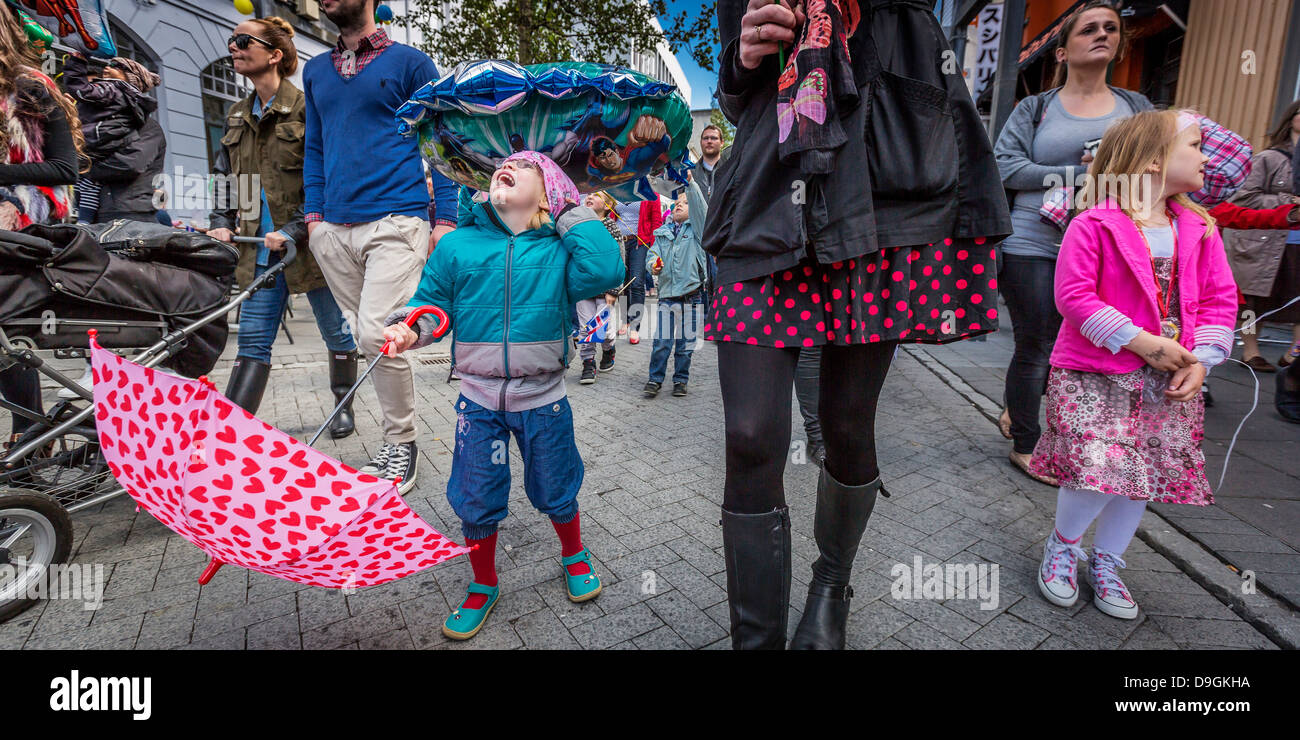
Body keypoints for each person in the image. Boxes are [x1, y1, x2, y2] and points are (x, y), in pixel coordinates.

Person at [706, 0, 1011, 649]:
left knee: (847, 424)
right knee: (750, 431)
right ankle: (754, 642)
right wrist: (744, 55)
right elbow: (735, 99)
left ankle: (832, 583)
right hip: (767, 188)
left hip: (878, 188)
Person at [382, 152, 624, 641]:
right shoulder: (459, 245)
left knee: (556, 484)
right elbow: (432, 304)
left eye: (525, 165)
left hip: (544, 400)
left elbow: (603, 269)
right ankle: (483, 582)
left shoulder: (560, 247)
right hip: (478, 403)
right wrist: (413, 330)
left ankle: (574, 554)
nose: (506, 167)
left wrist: (569, 208)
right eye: (502, 163)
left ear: (548, 188)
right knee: (475, 494)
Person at [1029, 110, 1236, 620]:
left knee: (1139, 471)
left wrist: (1203, 362)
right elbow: (1074, 296)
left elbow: (1218, 300)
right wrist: (1141, 342)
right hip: (1095, 372)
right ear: (1151, 160)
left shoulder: (1201, 228)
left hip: (1167, 378)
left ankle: (1108, 560)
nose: (1206, 157)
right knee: (1098, 465)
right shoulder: (1095, 223)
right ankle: (1064, 544)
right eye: (1195, 145)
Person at [993, 0, 1152, 486]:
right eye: (1088, 29)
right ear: (1061, 51)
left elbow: (1154, 169)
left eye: (1110, 28)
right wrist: (1078, 175)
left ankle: (1050, 423)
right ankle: (1027, 440)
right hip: (1034, 241)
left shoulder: (1137, 108)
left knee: (1082, 346)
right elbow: (1004, 167)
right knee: (1037, 342)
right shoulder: (1035, 107)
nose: (1101, 34)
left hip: (1110, 246)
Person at [303, 0, 458, 492]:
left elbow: (440, 139)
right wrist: (313, 220)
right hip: (332, 230)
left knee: (376, 334)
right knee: (368, 339)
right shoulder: (314, 72)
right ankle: (397, 441)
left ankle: (401, 444)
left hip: (397, 219)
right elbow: (315, 146)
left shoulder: (411, 63)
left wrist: (446, 218)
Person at [205, 17, 359, 438]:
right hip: (259, 249)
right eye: (232, 41)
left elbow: (328, 176)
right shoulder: (237, 116)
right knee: (253, 338)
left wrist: (293, 229)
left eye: (242, 41)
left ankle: (343, 403)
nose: (233, 47)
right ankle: (231, 428)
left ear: (274, 54)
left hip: (313, 246)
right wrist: (221, 222)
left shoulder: (308, 107)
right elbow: (224, 180)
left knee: (337, 333)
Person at [0, 4, 81, 449]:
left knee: (6, 331)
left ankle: (28, 432)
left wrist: (5, 185)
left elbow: (64, 169)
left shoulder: (30, 86)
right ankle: (30, 430)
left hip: (31, 222)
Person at [1223, 101, 1300, 372]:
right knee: (1254, 301)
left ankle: (1293, 354)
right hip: (1265, 241)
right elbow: (1244, 198)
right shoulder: (1270, 158)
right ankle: (1250, 352)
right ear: (1291, 119)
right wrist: (1288, 200)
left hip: (1296, 244)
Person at [62, 54, 160, 225]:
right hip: (103, 211)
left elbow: (130, 163)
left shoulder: (146, 126)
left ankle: (83, 220)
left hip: (126, 213)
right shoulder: (103, 119)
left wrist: (83, 167)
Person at [643, 179, 708, 398]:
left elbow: (701, 208)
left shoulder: (698, 229)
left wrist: (690, 185)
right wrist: (654, 264)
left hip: (693, 295)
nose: (679, 205)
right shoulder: (662, 232)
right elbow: (652, 254)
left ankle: (681, 379)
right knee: (662, 342)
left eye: (685, 203)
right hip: (667, 296)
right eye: (677, 202)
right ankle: (655, 378)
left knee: (686, 344)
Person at [576, 191, 621, 383]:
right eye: (588, 195)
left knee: (602, 331)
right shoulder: (578, 226)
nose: (589, 197)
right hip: (584, 287)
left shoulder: (612, 229)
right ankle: (588, 363)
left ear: (608, 205)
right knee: (586, 328)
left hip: (605, 288)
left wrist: (614, 289)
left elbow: (619, 259)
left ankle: (608, 349)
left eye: (596, 195)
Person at [612, 197, 649, 343]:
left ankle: (635, 326)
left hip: (639, 243)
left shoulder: (649, 192)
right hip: (619, 241)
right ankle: (625, 320)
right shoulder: (616, 190)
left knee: (637, 283)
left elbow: (656, 221)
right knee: (622, 284)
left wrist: (650, 242)